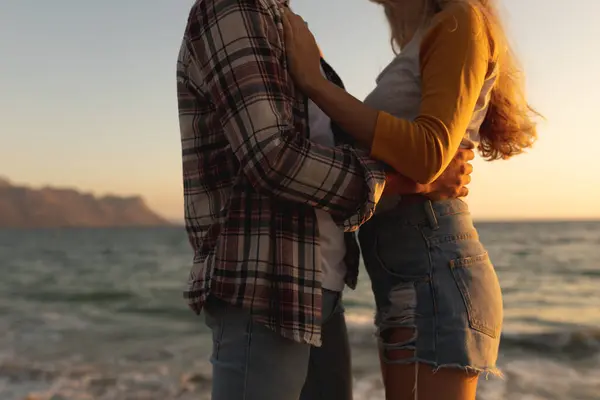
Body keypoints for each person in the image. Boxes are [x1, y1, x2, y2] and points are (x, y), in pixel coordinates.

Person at [177, 0, 476, 399]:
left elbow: (332, 153)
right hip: (266, 286)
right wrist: (404, 181)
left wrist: (410, 175)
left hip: (321, 288)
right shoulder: (234, 8)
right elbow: (273, 157)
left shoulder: (282, 21)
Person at [282, 0, 539, 399]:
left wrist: (315, 84)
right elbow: (400, 155)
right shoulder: (430, 35)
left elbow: (426, 155)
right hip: (406, 267)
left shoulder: (461, 19)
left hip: (434, 260)